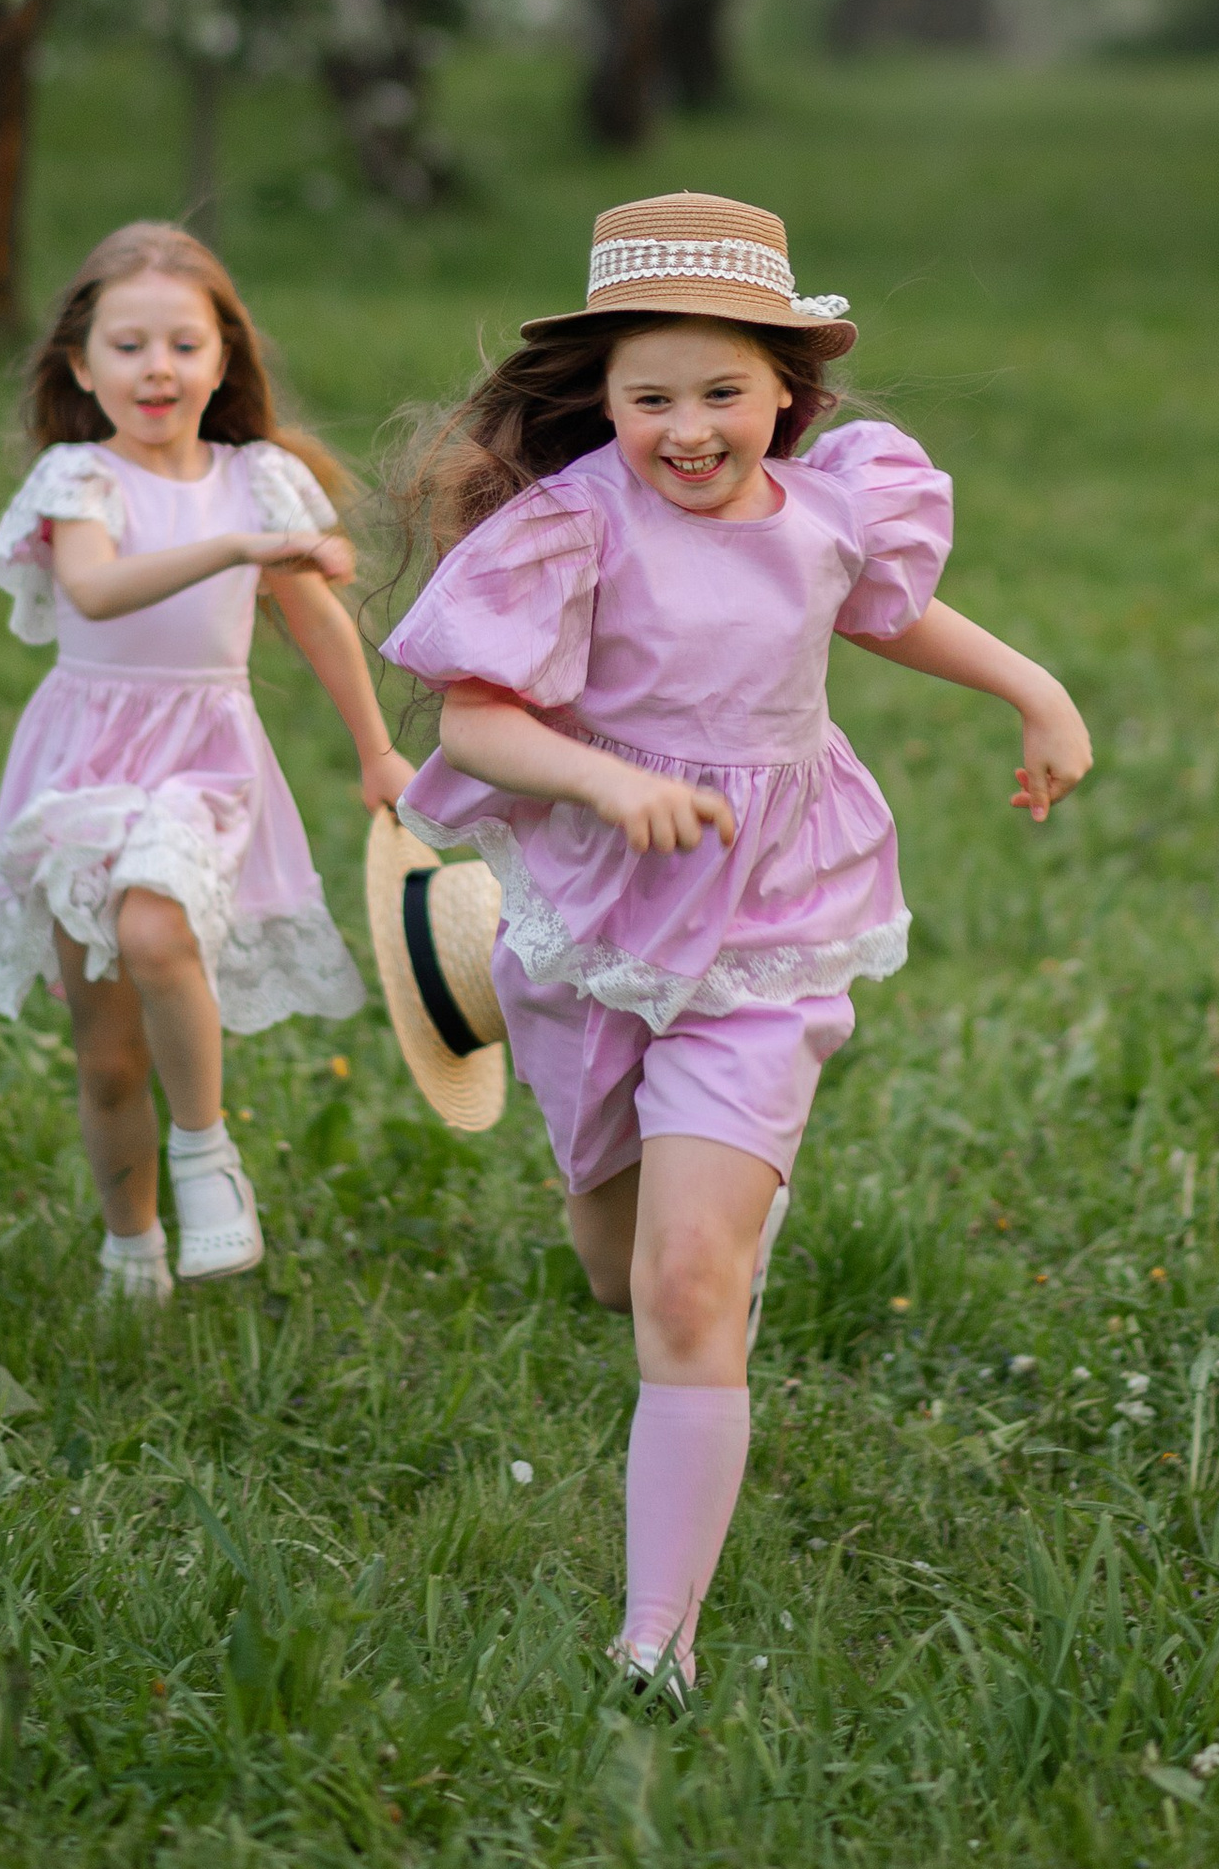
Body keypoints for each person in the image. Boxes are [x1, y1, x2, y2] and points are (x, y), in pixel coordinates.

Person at [382, 186, 1092, 1688]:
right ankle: (479, 957)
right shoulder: (574, 525)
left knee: (689, 1287)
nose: (689, 428)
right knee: (611, 1264)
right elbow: (477, 723)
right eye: (651, 397)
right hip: (599, 910)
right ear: (605, 398)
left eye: (722, 391)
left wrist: (1034, 688)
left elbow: (884, 614)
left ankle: (659, 1639)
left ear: (788, 388)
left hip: (771, 918)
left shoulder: (831, 510)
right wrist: (605, 782)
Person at [0, 220, 413, 1298]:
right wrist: (232, 548)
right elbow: (92, 590)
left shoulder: (257, 479)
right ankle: (130, 1248)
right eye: (129, 345)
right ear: (82, 367)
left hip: (205, 757)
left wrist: (376, 751)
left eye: (184, 344)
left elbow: (319, 624)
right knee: (106, 1053)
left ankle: (204, 1151)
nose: (158, 369)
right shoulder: (77, 479)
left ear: (225, 360)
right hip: (85, 761)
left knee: (154, 924)